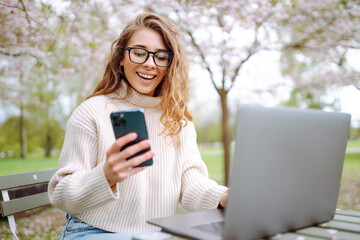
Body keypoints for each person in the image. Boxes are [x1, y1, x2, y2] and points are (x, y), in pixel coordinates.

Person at [48, 12, 228, 239]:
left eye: (161, 56)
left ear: (170, 64)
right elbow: (60, 193)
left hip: (155, 234)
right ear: (121, 58)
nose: (150, 64)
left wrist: (224, 196)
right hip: (90, 231)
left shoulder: (178, 120)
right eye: (139, 53)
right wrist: (106, 175)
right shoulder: (92, 111)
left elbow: (191, 185)